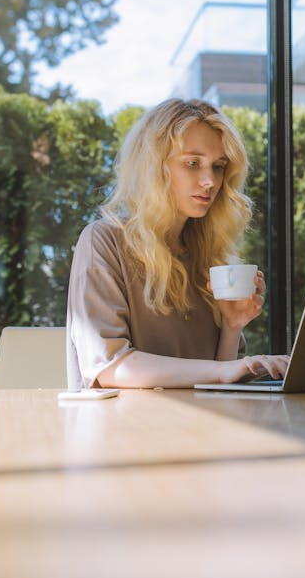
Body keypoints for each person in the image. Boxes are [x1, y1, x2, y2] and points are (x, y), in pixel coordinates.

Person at [66, 98, 290, 389]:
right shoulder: (104, 240)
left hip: (195, 427)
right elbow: (109, 368)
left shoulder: (210, 256)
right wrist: (226, 371)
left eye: (219, 166)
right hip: (121, 429)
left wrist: (232, 326)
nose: (210, 180)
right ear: (154, 167)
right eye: (193, 163)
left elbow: (216, 381)